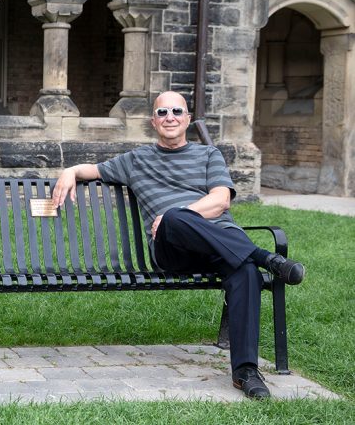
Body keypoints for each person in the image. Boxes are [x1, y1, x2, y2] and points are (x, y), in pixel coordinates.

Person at [51, 91, 305, 400]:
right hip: (173, 250)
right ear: (153, 122)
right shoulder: (136, 160)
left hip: (219, 245)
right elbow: (92, 170)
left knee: (245, 272)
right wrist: (69, 171)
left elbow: (221, 199)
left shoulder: (208, 155)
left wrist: (184, 214)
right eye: (162, 113)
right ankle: (269, 258)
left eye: (176, 111)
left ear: (186, 119)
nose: (169, 117)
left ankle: (245, 372)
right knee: (172, 220)